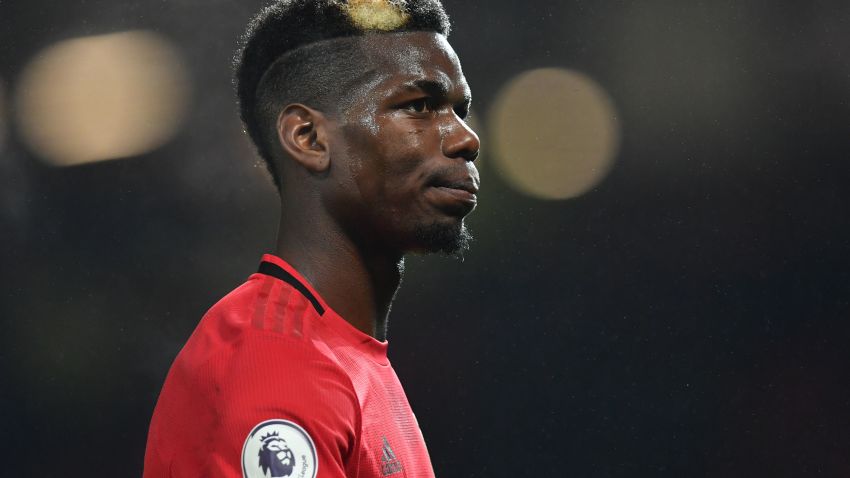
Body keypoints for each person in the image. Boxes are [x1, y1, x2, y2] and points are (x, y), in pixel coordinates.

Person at [143, 0, 480, 477]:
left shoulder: (346, 357)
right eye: (419, 106)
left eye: (459, 110)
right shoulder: (271, 360)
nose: (466, 138)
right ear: (309, 138)